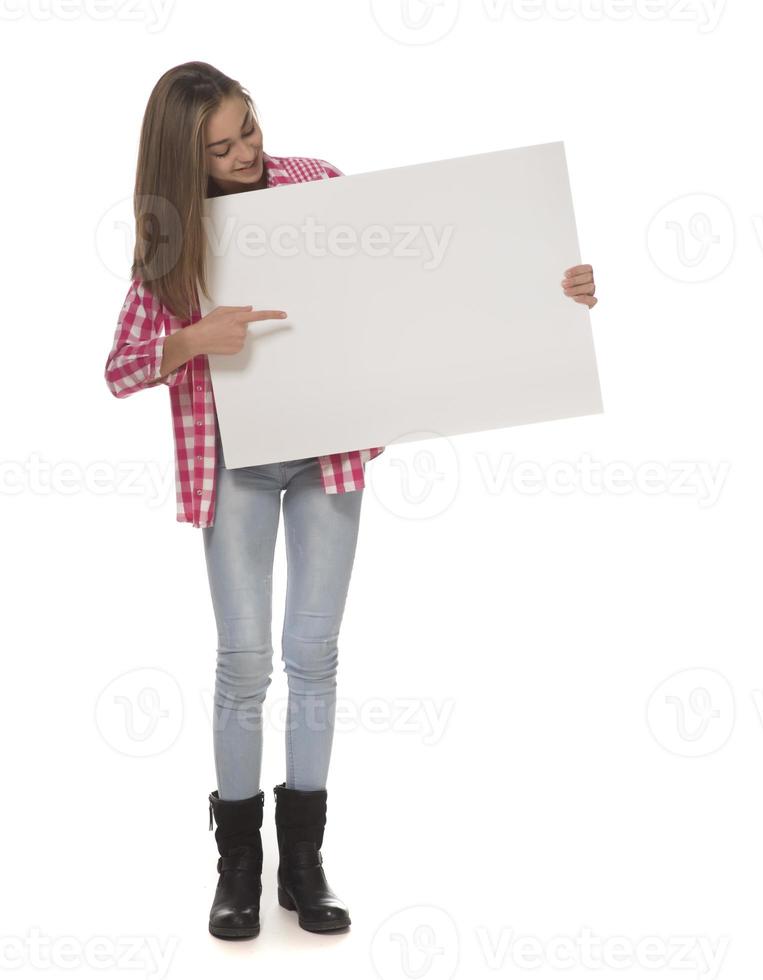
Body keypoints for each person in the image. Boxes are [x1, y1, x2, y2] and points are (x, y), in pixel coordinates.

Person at [104, 60, 598, 943]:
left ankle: (303, 863)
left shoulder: (314, 186)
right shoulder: (173, 237)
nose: (247, 153)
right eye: (220, 149)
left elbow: (416, 287)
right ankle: (238, 871)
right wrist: (189, 338)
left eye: (248, 129)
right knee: (245, 662)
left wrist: (547, 291)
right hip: (234, 466)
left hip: (326, 456)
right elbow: (120, 369)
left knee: (315, 654)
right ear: (185, 160)